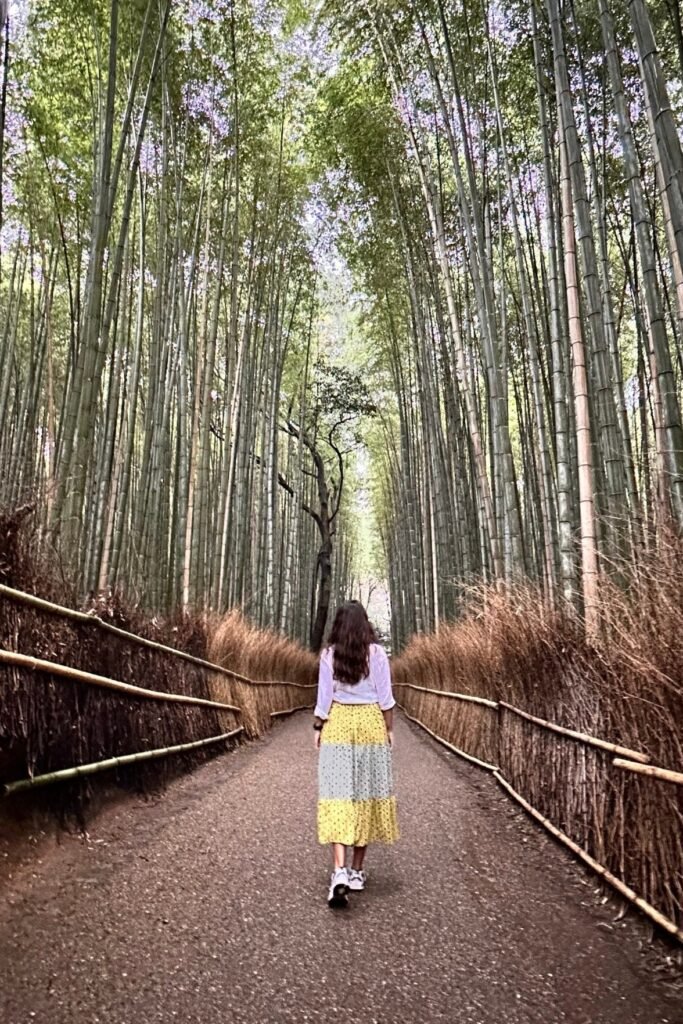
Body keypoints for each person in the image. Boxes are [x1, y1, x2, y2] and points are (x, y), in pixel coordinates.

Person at [313, 600, 399, 908]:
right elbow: (386, 699)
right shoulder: (376, 654)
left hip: (337, 724)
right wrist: (388, 731)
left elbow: (323, 700)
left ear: (337, 625)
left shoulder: (328, 655)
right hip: (369, 725)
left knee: (338, 795)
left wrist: (318, 727)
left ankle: (338, 871)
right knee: (365, 796)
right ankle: (356, 871)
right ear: (365, 625)